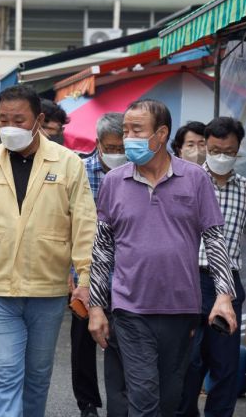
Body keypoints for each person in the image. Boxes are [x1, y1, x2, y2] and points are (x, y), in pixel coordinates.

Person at [0, 85, 97, 417]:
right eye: (3, 120)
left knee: (36, 377)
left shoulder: (68, 163)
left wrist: (86, 279)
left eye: (19, 119)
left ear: (39, 120)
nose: (10, 127)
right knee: (4, 376)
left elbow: (84, 225)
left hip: (46, 290)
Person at [88, 99, 238, 417]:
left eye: (136, 130)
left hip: (182, 309)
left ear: (161, 134)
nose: (128, 137)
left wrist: (224, 295)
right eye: (125, 130)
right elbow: (102, 248)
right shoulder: (114, 182)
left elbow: (215, 240)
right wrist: (96, 308)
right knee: (143, 396)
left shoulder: (196, 179)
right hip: (130, 310)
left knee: (171, 399)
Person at [178, 117, 246, 417]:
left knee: (226, 364)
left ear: (238, 150)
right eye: (215, 149)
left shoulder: (244, 188)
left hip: (228, 284)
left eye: (229, 151)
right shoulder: (186, 182)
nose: (221, 157)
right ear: (206, 145)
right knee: (189, 362)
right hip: (190, 278)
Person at [75, 112, 127, 417]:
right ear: (98, 144)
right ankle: (88, 403)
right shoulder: (80, 171)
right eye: (111, 147)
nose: (117, 153)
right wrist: (74, 276)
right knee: (82, 343)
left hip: (125, 272)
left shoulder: (139, 170)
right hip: (86, 270)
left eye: (122, 146)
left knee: (122, 341)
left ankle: (122, 402)